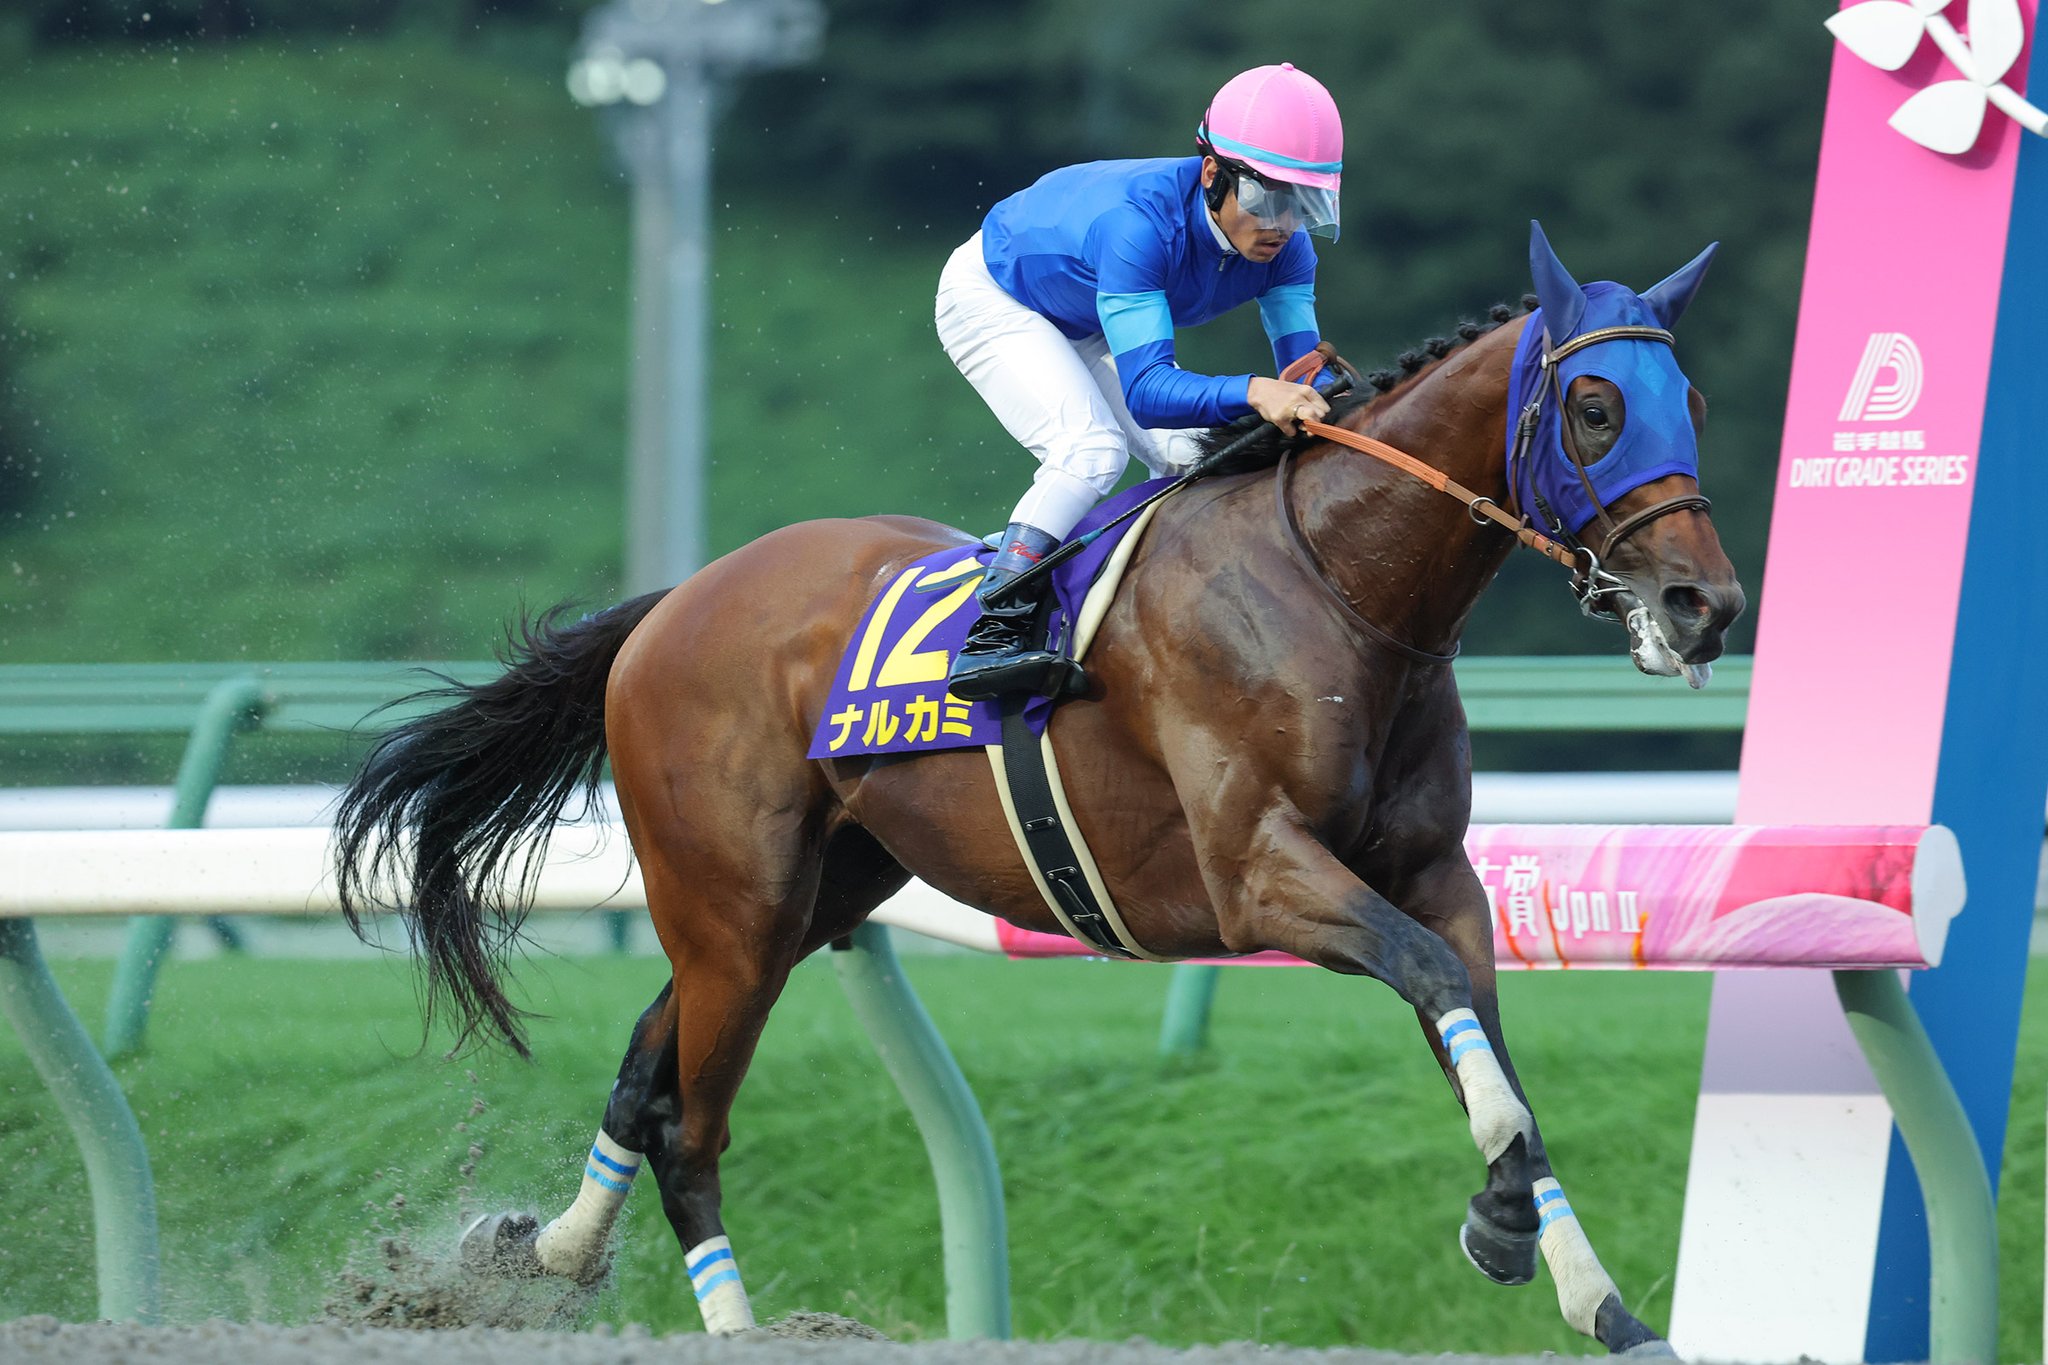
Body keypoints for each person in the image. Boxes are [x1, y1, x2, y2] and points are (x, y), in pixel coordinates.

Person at [936, 62, 1344, 700]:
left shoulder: (1289, 249)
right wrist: (1256, 390)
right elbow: (1151, 393)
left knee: (1197, 458)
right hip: (997, 295)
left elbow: (1302, 377)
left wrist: (1324, 402)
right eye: (1269, 199)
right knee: (1089, 449)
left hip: (1086, 308)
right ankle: (994, 632)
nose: (1284, 224)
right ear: (1213, 175)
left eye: (1305, 203)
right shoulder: (1139, 228)